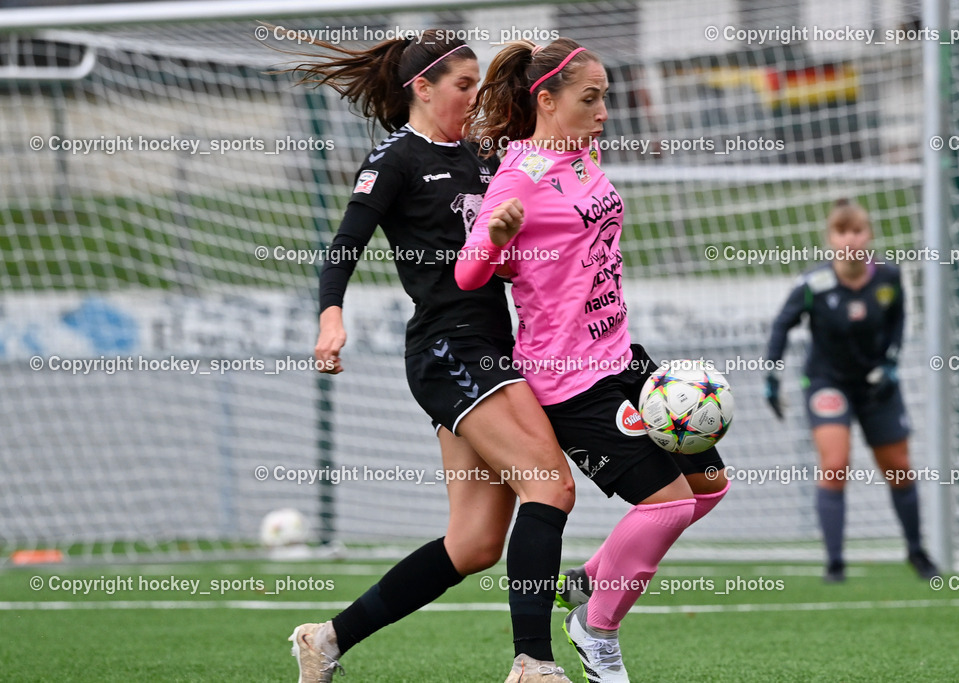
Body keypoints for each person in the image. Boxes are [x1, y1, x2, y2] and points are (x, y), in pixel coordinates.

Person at [277, 30, 577, 683]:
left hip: (493, 345)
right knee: (550, 483)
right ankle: (533, 662)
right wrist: (331, 315)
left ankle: (326, 638)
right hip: (449, 349)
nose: (472, 98)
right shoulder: (394, 159)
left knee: (471, 544)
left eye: (476, 84)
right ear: (423, 87)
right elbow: (343, 244)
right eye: (462, 86)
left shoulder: (477, 155)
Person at [456, 39, 730, 683]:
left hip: (624, 358)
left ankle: (587, 583)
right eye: (591, 97)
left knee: (709, 489)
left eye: (605, 95)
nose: (605, 109)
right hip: (569, 380)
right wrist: (495, 239)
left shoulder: (583, 151)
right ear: (546, 100)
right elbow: (471, 272)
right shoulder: (518, 177)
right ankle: (595, 630)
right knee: (665, 505)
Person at [764, 198, 940, 583]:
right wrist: (771, 377)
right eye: (842, 232)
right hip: (827, 382)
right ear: (830, 239)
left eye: (857, 231)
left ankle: (916, 550)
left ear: (869, 234)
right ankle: (835, 563)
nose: (850, 239)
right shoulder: (813, 284)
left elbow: (897, 321)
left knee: (898, 467)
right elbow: (781, 326)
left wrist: (891, 363)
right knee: (835, 463)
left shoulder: (889, 278)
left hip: (877, 384)